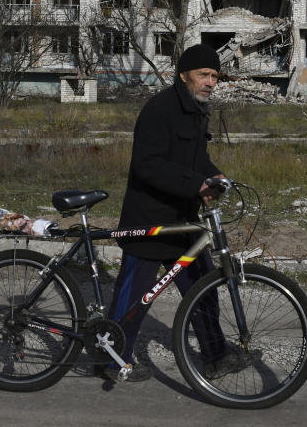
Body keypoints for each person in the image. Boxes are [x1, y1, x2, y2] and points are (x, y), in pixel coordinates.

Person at [105, 43, 234, 383]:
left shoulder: (197, 110)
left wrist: (213, 175)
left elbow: (194, 162)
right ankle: (113, 357)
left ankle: (216, 356)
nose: (210, 82)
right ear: (183, 75)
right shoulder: (159, 110)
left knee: (204, 289)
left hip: (184, 222)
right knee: (134, 300)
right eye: (204, 75)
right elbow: (147, 165)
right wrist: (196, 185)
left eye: (215, 77)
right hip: (150, 220)